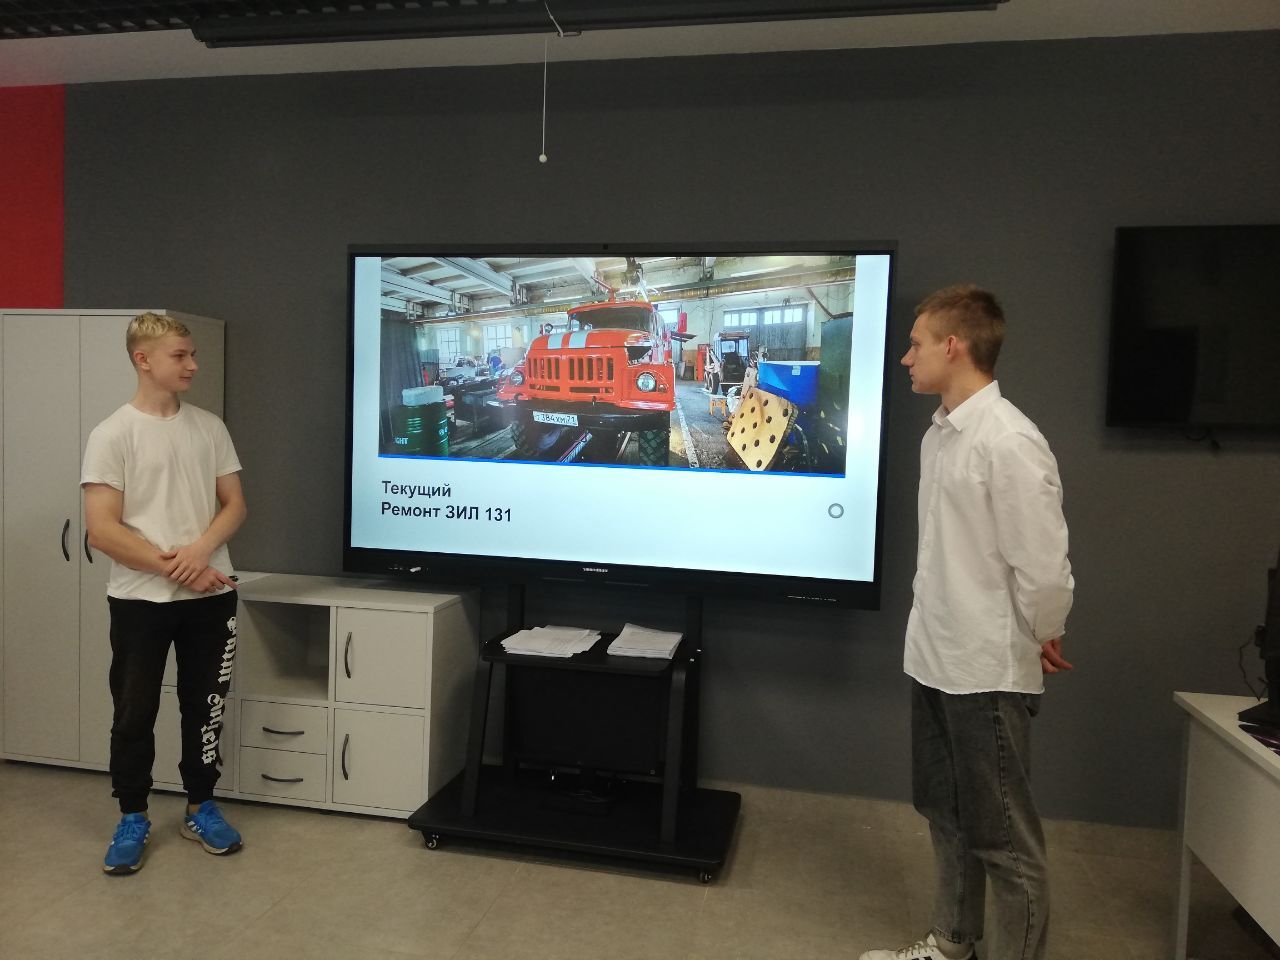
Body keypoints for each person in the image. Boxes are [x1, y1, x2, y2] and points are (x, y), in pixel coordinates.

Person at [861, 286, 1074, 960]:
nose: (906, 358)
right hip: (935, 656)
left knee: (1004, 840)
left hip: (984, 669)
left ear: (953, 346)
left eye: (916, 343)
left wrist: (1044, 628)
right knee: (946, 813)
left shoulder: (1009, 441)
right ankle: (953, 943)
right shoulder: (941, 434)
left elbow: (1043, 566)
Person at [81, 312, 248, 875]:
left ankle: (200, 806)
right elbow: (102, 530)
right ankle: (133, 814)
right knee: (134, 712)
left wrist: (200, 554)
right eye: (180, 355)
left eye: (192, 353)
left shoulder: (209, 427)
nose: (193, 365)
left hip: (211, 596)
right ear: (143, 359)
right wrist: (181, 569)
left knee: (205, 708)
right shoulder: (111, 435)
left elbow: (234, 505)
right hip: (139, 602)